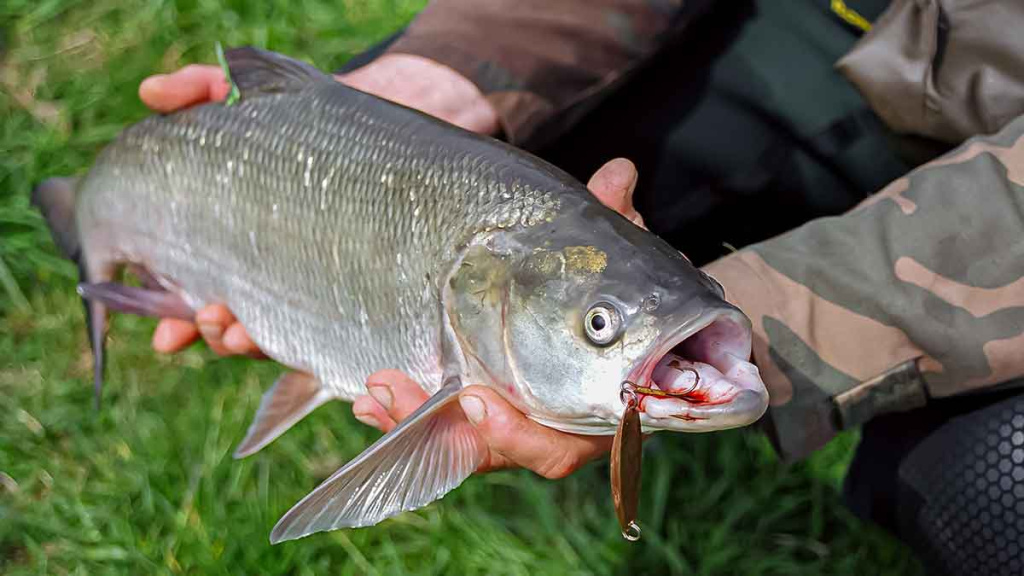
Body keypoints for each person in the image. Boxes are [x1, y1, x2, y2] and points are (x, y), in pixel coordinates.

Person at [139, 1, 1024, 573]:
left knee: (989, 489)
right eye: (601, 325)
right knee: (361, 124)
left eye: (600, 326)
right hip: (820, 21)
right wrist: (443, 79)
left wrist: (774, 311)